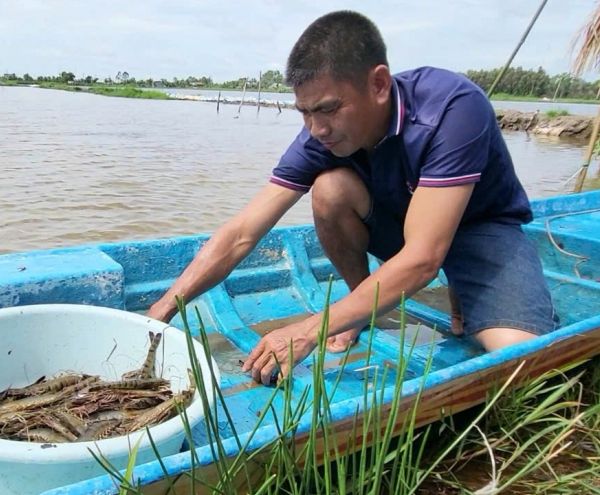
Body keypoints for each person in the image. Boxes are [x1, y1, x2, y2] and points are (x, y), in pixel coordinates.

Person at [146, 10, 560, 386]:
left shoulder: (453, 108)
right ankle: (366, 305)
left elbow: (422, 258)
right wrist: (162, 311)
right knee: (330, 190)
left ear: (379, 85)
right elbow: (242, 232)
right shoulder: (321, 136)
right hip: (405, 222)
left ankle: (431, 292)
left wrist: (310, 329)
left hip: (478, 229)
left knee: (518, 357)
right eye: (304, 113)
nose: (316, 129)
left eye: (327, 109)